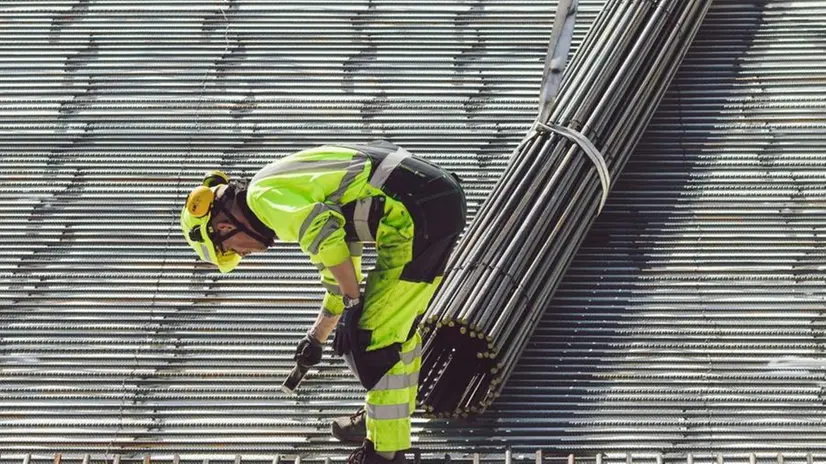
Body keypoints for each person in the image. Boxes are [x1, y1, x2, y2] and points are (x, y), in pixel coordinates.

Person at [180, 140, 467, 464]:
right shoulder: (273, 188)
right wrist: (316, 337)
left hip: (417, 213)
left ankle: (385, 453)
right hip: (430, 204)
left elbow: (329, 243)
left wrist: (353, 305)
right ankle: (383, 421)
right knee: (394, 329)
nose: (243, 255)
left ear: (224, 226)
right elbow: (341, 262)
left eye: (232, 250)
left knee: (372, 338)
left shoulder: (264, 201)